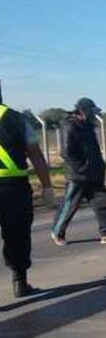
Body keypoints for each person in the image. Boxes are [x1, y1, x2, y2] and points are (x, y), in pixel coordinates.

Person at [0, 100, 56, 297]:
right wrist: (47, 186)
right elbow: (35, 153)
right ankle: (20, 280)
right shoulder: (15, 118)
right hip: (13, 188)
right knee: (17, 234)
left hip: (14, 187)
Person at [51, 98, 106, 246]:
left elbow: (93, 150)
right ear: (82, 112)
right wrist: (80, 167)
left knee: (102, 202)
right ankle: (57, 232)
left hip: (95, 173)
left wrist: (99, 165)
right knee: (70, 204)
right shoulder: (70, 126)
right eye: (91, 112)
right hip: (78, 175)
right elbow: (66, 152)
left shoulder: (88, 127)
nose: (93, 115)